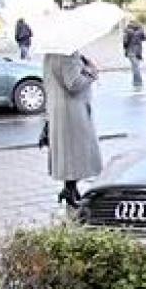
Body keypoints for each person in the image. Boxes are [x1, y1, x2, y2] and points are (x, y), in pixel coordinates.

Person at [43, 49, 101, 208]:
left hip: (59, 110)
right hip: (72, 111)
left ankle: (70, 189)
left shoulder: (50, 54)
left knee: (68, 152)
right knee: (76, 151)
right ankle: (70, 191)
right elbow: (74, 83)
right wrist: (91, 73)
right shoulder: (69, 54)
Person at [122, 20, 146, 89]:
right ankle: (137, 83)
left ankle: (137, 83)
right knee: (136, 67)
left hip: (131, 51)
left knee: (135, 68)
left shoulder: (127, 32)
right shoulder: (140, 31)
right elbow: (144, 39)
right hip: (138, 52)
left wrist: (125, 48)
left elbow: (125, 43)